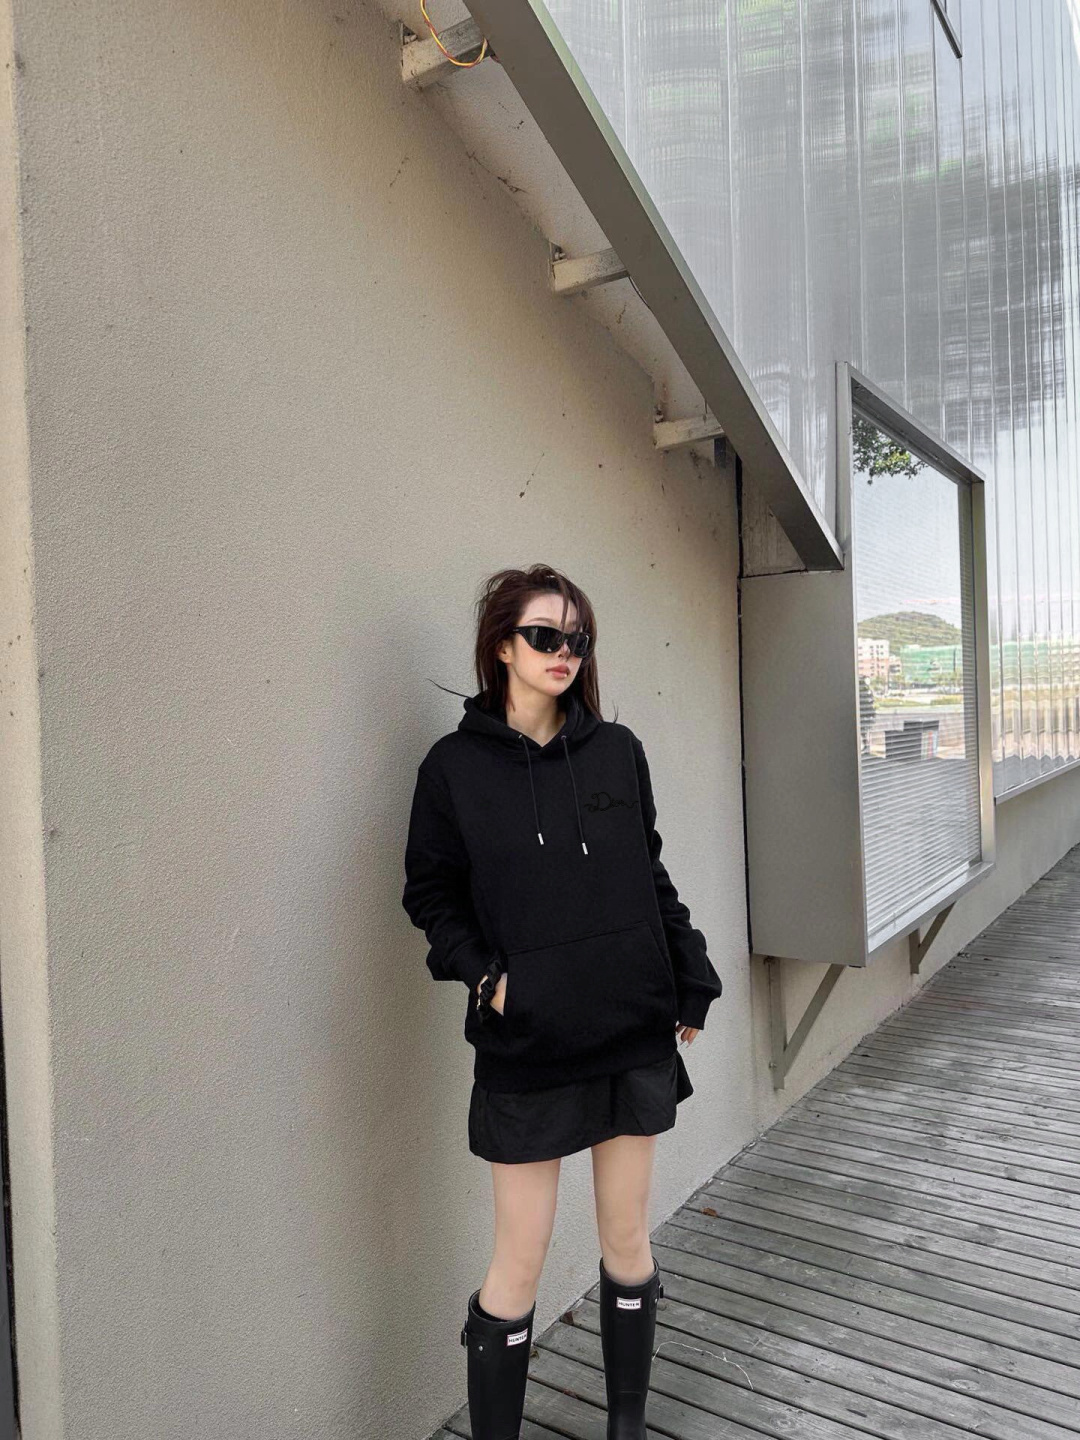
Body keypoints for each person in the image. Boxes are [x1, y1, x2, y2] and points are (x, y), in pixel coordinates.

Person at [401, 563, 724, 1440]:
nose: (564, 653)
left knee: (627, 1239)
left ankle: (625, 1428)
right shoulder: (453, 769)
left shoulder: (617, 751)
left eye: (577, 639)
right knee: (521, 1258)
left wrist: (689, 969)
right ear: (502, 646)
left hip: (628, 1029)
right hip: (530, 1042)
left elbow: (648, 874)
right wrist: (491, 981)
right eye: (545, 635)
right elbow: (430, 895)